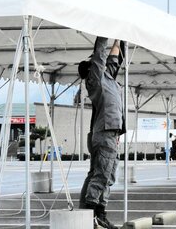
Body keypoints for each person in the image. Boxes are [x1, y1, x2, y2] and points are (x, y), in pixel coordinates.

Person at [78, 37, 125, 229]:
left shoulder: (108, 79)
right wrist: (104, 34)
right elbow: (100, 55)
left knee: (108, 175)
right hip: (105, 133)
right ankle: (91, 215)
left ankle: (99, 213)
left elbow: (114, 59)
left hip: (111, 134)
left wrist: (119, 39)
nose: (102, 65)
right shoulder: (95, 80)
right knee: (101, 175)